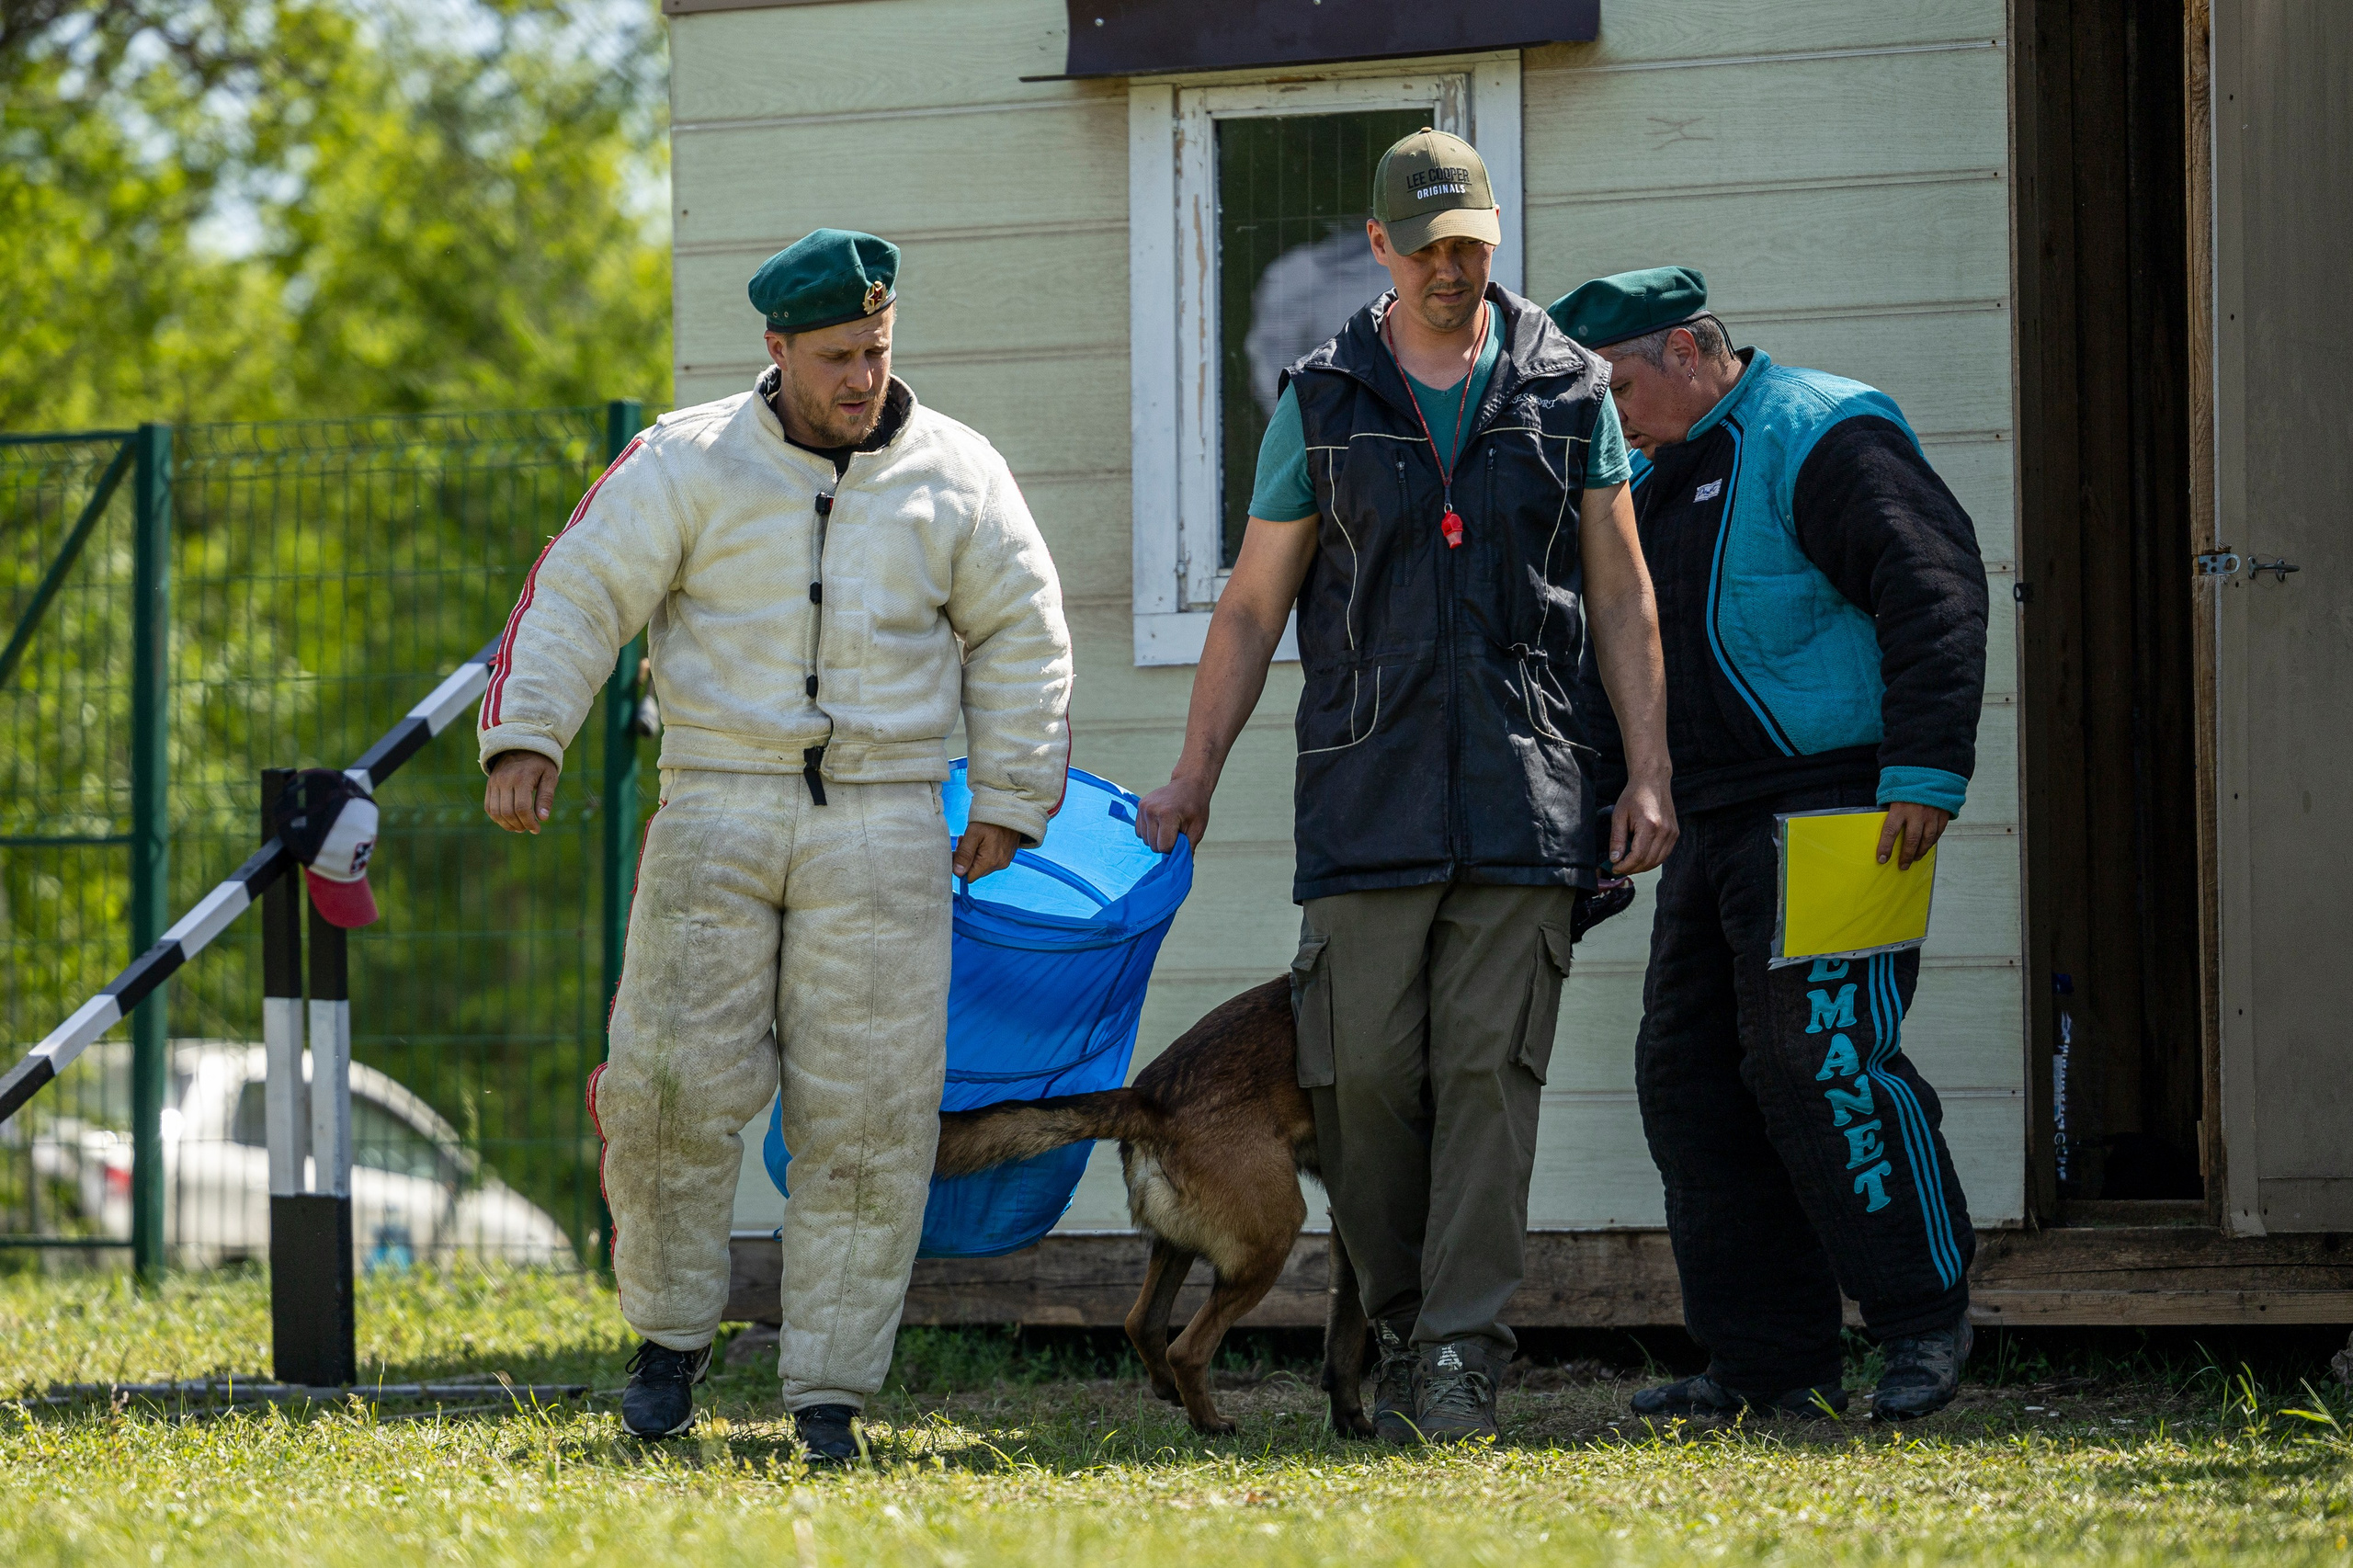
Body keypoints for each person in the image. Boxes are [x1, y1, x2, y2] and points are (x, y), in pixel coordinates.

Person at [479, 229, 1073, 1460]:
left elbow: (1023, 627)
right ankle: (667, 1344)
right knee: (665, 1088)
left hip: (887, 819)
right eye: (838, 355)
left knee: (871, 1110)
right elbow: (580, 585)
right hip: (715, 804)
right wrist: (528, 732)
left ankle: (830, 1394)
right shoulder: (683, 459)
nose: (863, 376)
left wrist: (1013, 790)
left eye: (877, 349)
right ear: (778, 347)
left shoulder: (960, 472)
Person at [1135, 130, 1677, 1445]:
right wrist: (1196, 767)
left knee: (1489, 1081)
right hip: (1365, 801)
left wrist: (1649, 769)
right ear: (1379, 246)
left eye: (1471, 244)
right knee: (1366, 1086)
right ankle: (1396, 1320)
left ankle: (1457, 1360)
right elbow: (1253, 605)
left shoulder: (1568, 388)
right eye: (1427, 246)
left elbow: (1621, 593)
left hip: (1526, 793)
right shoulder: (1321, 397)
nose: (1452, 269)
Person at [1549, 267, 1989, 1422]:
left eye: (1617, 388)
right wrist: (1591, 828)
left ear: (1689, 349)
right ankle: (1765, 1364)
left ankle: (1922, 1321)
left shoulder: (1822, 427)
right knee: (1687, 1081)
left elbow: (1931, 583)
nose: (1609, 417)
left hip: (1845, 807)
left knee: (1822, 1060)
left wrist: (1925, 770)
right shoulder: (1642, 478)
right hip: (1711, 818)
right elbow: (1614, 669)